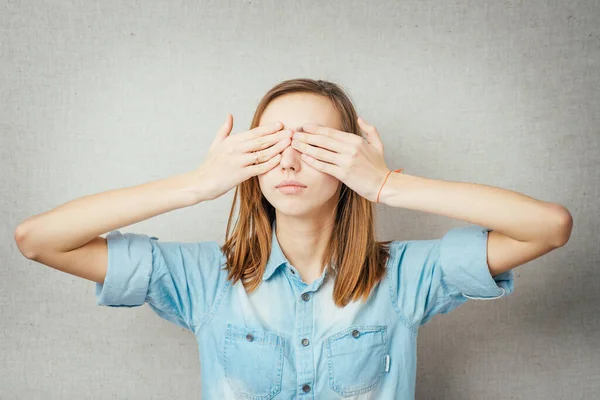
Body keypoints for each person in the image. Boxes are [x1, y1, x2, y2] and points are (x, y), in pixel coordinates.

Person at [15, 78, 572, 399]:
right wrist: (197, 185)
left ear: (349, 159)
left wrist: (386, 184)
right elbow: (38, 239)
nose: (289, 158)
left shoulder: (406, 277)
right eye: (271, 142)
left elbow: (549, 226)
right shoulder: (203, 279)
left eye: (315, 142)